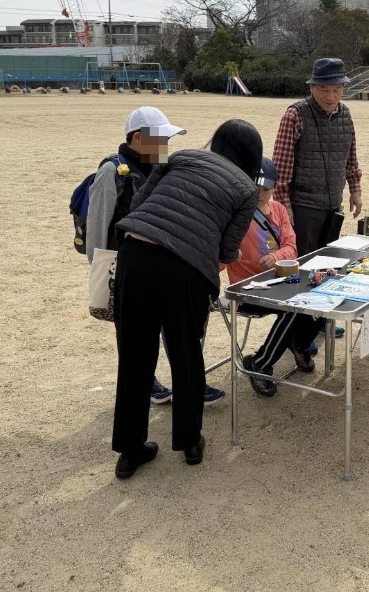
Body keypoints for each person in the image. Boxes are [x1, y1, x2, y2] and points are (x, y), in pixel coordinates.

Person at [110, 119, 260, 479]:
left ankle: (130, 451)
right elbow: (227, 247)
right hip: (186, 270)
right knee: (186, 353)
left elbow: (140, 201)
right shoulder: (246, 189)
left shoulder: (182, 157)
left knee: (135, 355)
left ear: (217, 142)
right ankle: (190, 442)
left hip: (135, 255)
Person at [87, 107, 226, 407]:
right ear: (138, 138)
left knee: (176, 327)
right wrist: (103, 269)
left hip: (166, 263)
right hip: (125, 266)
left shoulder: (164, 168)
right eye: (161, 140)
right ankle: (145, 382)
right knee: (133, 332)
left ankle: (189, 383)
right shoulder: (112, 171)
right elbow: (97, 225)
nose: (166, 146)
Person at [226, 158, 321, 397]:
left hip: (280, 280)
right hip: (248, 288)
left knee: (321, 296)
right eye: (254, 189)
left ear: (274, 188)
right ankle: (260, 362)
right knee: (293, 309)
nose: (259, 195)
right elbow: (222, 252)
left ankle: (299, 344)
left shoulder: (278, 209)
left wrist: (276, 256)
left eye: (265, 189)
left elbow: (291, 246)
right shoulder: (237, 213)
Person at [272, 57, 364, 254]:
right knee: (303, 260)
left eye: (337, 89)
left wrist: (355, 190)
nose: (331, 96)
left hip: (334, 205)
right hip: (302, 207)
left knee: (327, 260)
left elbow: (351, 158)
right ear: (312, 87)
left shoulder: (345, 115)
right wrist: (284, 207)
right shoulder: (295, 115)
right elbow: (281, 168)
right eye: (324, 89)